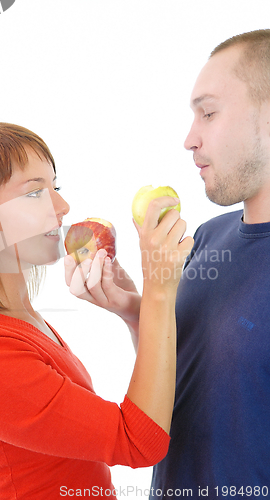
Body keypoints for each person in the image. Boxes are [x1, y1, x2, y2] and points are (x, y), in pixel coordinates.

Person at [0, 122, 193, 500]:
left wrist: (136, 313)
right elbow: (139, 442)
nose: (62, 207)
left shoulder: (16, 320)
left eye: (54, 188)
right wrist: (159, 287)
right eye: (35, 193)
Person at [151, 29, 270, 500]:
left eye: (210, 112)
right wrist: (132, 308)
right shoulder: (208, 237)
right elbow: (194, 368)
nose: (189, 138)